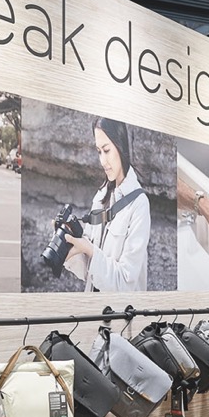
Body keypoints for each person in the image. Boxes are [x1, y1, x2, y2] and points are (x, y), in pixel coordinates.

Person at [62, 117, 150, 292]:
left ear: (121, 146)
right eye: (98, 151)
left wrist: (91, 250)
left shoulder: (139, 205)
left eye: (107, 150)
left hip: (122, 313)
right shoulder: (101, 195)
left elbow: (125, 283)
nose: (102, 161)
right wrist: (68, 241)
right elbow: (88, 270)